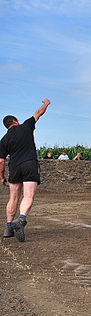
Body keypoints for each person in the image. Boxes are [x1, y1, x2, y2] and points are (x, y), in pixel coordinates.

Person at [0, 98, 51, 241]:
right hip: (29, 164)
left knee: (13, 198)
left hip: (14, 167)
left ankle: (8, 226)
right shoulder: (26, 126)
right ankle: (21, 220)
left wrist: (2, 177)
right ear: (15, 121)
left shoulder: (3, 140)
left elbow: (1, 161)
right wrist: (46, 103)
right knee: (28, 195)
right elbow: (38, 113)